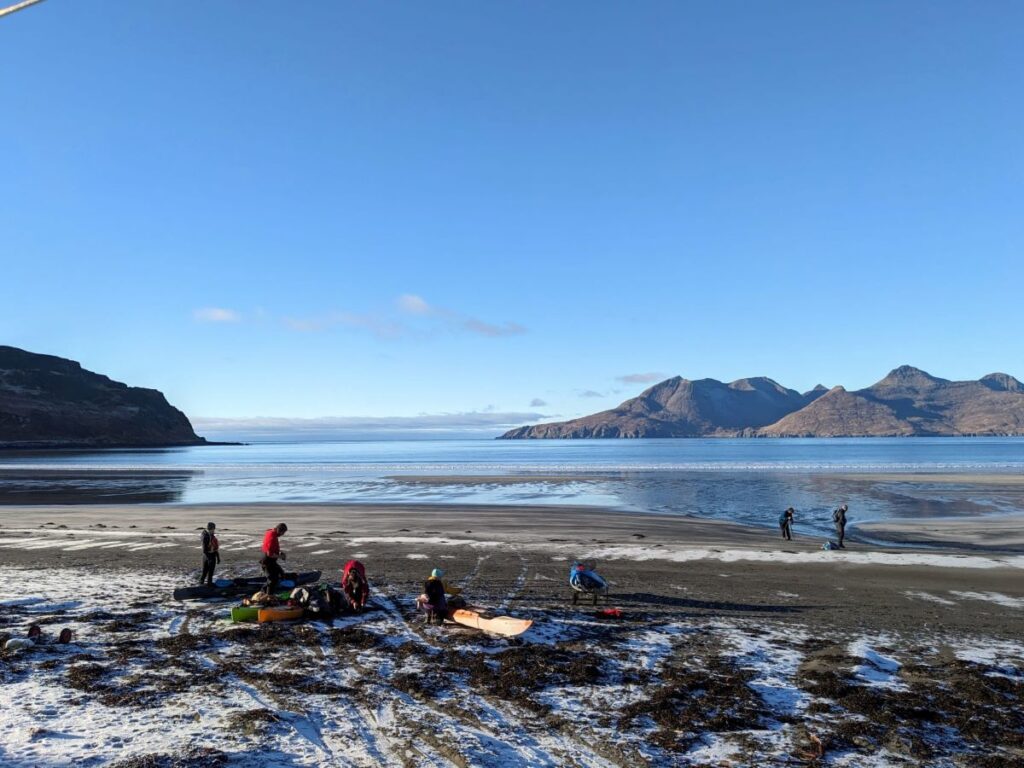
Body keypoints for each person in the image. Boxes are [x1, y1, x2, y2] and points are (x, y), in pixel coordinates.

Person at [261, 523, 288, 590]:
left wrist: (279, 552)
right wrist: (281, 557)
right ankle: (267, 595)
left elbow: (272, 548)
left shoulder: (271, 532)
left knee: (281, 573)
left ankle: (273, 589)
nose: (283, 534)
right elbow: (269, 554)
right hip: (267, 562)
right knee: (272, 580)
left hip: (271, 561)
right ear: (279, 530)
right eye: (283, 532)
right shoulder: (272, 537)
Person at [200, 522, 220, 586]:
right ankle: (209, 584)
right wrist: (211, 557)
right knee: (209, 572)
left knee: (205, 572)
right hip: (209, 556)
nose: (214, 530)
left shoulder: (207, 535)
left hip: (206, 556)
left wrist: (218, 557)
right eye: (213, 529)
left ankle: (202, 583)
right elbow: (204, 550)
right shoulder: (207, 537)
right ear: (212, 528)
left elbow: (214, 549)